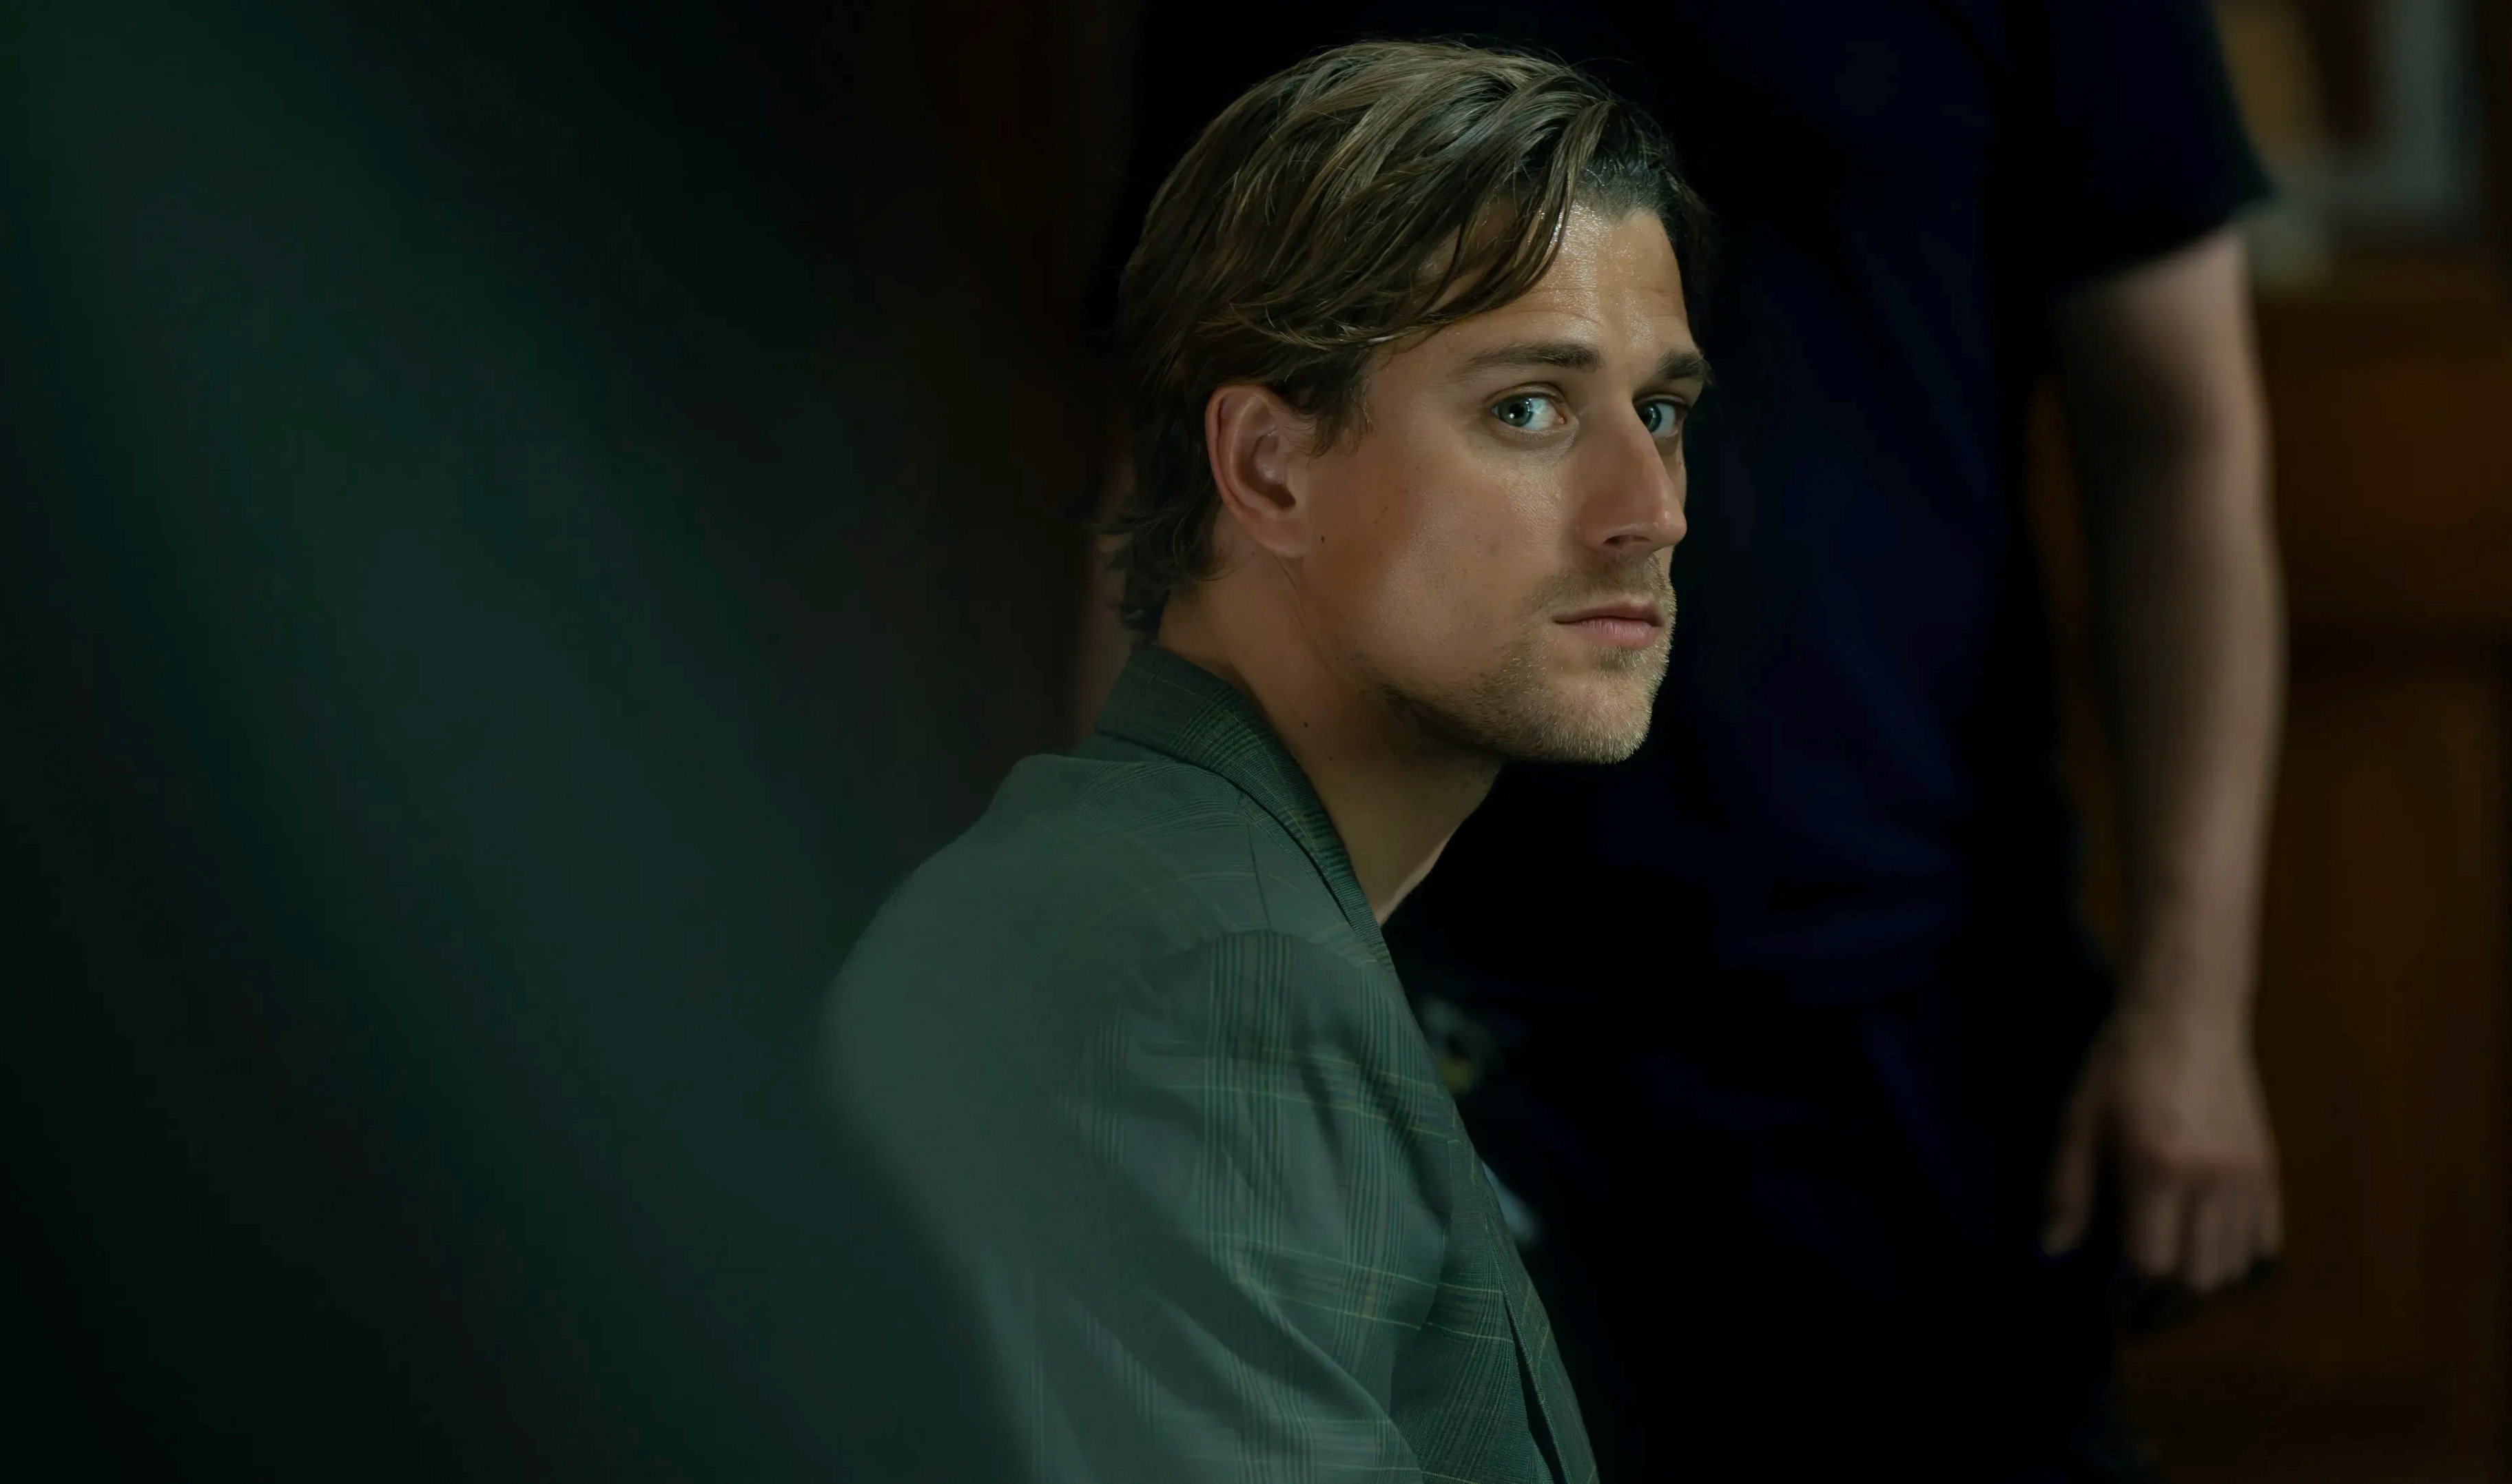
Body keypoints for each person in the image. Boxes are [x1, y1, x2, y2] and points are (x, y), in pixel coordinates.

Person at [1075, 4, 2285, 1479]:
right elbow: (1175, 480)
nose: (1652, 508)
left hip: (1905, 1004)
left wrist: (2192, 1009)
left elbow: (2178, 437)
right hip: (1410, 996)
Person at [831, 41, 1717, 1481]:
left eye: (1660, 412)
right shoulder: (1207, 980)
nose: (1650, 509)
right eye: (1528, 408)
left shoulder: (1176, 896)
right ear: (1264, 469)